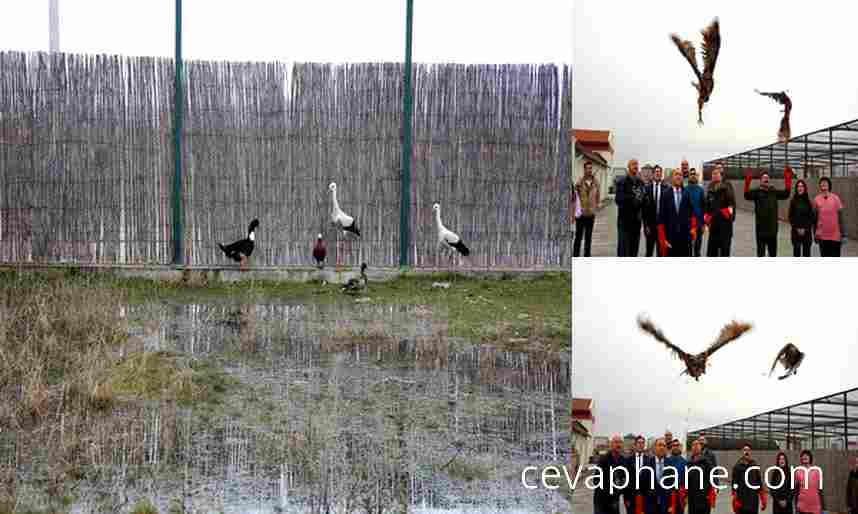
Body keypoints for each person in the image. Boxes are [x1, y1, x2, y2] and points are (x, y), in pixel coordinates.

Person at [743, 167, 792, 257]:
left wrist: (788, 178)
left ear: (769, 180)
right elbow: (746, 195)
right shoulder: (756, 192)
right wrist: (748, 179)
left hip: (772, 229)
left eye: (767, 178)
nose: (766, 179)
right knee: (760, 254)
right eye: (764, 178)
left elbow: (786, 194)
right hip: (760, 229)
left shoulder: (773, 191)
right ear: (761, 181)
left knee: (773, 254)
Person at [657, 170, 697, 257]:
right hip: (670, 237)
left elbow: (692, 212)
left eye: (680, 175)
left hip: (685, 238)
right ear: (672, 178)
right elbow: (661, 216)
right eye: (676, 174)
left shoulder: (686, 193)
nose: (678, 177)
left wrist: (693, 229)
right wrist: (662, 238)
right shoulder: (665, 194)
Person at [616, 160, 647, 257]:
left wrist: (642, 199)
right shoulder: (622, 182)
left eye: (637, 164)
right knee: (624, 251)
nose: (636, 166)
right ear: (628, 166)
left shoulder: (640, 182)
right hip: (624, 223)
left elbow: (644, 200)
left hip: (636, 223)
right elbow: (619, 200)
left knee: (634, 251)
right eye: (633, 164)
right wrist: (634, 198)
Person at [704, 164, 736, 256]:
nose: (715, 175)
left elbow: (732, 206)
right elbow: (707, 205)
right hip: (713, 228)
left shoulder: (727, 186)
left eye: (717, 173)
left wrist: (720, 216)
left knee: (724, 252)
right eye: (713, 173)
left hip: (725, 228)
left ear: (721, 174)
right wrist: (706, 217)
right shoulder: (710, 188)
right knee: (711, 253)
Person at [813, 177, 847, 257]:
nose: (823, 184)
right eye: (822, 182)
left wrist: (844, 234)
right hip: (822, 236)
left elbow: (841, 217)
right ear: (820, 186)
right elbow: (815, 219)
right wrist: (814, 234)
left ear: (829, 185)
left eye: (825, 182)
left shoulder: (836, 198)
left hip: (835, 236)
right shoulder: (816, 199)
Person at [595, 435, 628, 514]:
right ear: (611, 444)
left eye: (620, 442)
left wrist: (621, 489)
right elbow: (596, 480)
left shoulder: (623, 460)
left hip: (615, 500)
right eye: (616, 442)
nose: (618, 445)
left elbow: (624, 478)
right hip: (602, 500)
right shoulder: (603, 459)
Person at [574, 161, 601, 257]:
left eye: (591, 168)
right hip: (581, 214)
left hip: (591, 215)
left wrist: (596, 206)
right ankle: (575, 257)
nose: (589, 170)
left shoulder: (596, 182)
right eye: (587, 168)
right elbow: (574, 198)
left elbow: (598, 196)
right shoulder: (579, 182)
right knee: (578, 237)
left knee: (588, 238)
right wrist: (574, 212)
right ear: (584, 169)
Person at [732, 444, 767, 514]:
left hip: (753, 501)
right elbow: (734, 483)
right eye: (745, 450)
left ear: (751, 452)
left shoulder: (755, 466)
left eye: (748, 450)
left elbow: (759, 482)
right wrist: (735, 498)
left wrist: (763, 498)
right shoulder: (737, 466)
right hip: (741, 501)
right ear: (742, 452)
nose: (746, 452)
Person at [625, 435, 655, 514]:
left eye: (642, 443)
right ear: (635, 445)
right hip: (631, 497)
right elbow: (626, 480)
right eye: (639, 443)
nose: (640, 445)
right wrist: (626, 498)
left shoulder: (649, 460)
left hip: (645, 497)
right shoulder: (628, 460)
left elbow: (651, 480)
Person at [645, 165, 670, 257]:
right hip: (650, 225)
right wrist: (646, 225)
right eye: (656, 171)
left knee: (661, 252)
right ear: (653, 174)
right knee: (649, 251)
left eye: (659, 171)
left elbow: (668, 209)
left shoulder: (666, 188)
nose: (658, 173)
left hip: (661, 226)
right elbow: (645, 209)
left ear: (661, 174)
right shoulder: (647, 188)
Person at [685, 440, 716, 514]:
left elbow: (713, 476)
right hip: (692, 499)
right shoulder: (689, 463)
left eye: (697, 444)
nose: (695, 446)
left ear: (700, 447)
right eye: (693, 445)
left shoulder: (706, 462)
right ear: (691, 448)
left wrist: (713, 491)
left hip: (704, 498)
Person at [788, 179, 816, 257]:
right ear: (796, 188)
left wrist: (805, 229)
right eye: (798, 186)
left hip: (807, 233)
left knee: (806, 254)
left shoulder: (808, 202)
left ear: (804, 188)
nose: (800, 188)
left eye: (802, 186)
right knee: (796, 253)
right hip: (795, 233)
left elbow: (812, 217)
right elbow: (790, 216)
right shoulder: (793, 201)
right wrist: (797, 228)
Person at [795, 450, 825, 514]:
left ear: (810, 457)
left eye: (807, 455)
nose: (805, 456)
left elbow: (820, 490)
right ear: (801, 459)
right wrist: (796, 506)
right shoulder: (798, 471)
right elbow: (796, 490)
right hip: (802, 506)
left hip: (815, 506)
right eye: (803, 456)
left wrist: (823, 506)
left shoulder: (817, 471)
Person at [686, 168, 706, 256]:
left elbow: (704, 207)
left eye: (694, 174)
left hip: (699, 223)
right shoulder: (685, 189)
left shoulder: (700, 190)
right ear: (689, 176)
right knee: (688, 247)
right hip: (688, 224)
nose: (693, 175)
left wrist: (703, 223)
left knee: (697, 248)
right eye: (691, 174)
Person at [665, 439, 688, 514]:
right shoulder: (666, 461)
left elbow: (687, 480)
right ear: (671, 447)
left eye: (677, 445)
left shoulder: (685, 462)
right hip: (669, 495)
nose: (676, 447)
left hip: (681, 494)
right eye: (674, 445)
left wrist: (686, 495)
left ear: (680, 447)